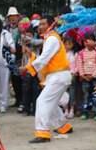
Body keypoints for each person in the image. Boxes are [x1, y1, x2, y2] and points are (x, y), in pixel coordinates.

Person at [23, 15, 73, 143]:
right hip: (57, 76)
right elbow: (44, 58)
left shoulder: (51, 39)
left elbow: (44, 58)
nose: (40, 27)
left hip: (58, 76)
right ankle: (63, 127)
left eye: (43, 24)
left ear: (51, 25)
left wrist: (28, 67)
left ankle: (43, 132)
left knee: (42, 101)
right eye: (39, 24)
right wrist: (31, 57)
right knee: (51, 102)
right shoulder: (50, 38)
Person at [76, 33, 96, 120]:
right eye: (85, 41)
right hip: (85, 78)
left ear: (94, 41)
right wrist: (82, 75)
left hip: (95, 78)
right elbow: (79, 64)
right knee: (86, 95)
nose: (86, 43)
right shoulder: (81, 53)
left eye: (89, 41)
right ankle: (85, 112)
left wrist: (94, 75)